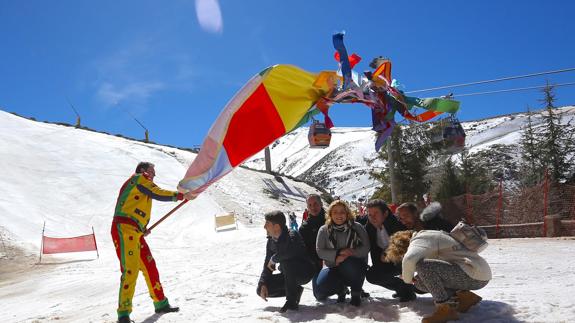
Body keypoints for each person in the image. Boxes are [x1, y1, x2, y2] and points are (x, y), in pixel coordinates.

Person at [111, 162, 190, 323]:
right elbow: (156, 192)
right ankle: (123, 314)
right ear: (142, 170)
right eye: (151, 171)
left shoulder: (141, 184)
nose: (153, 175)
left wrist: (143, 227)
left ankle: (160, 303)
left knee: (150, 266)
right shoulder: (139, 179)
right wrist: (179, 195)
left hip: (135, 231)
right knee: (130, 270)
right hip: (124, 228)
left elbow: (137, 206)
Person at [386, 230, 492, 323]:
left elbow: (409, 259)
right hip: (477, 275)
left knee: (423, 266)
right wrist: (413, 279)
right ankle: (466, 297)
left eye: (402, 253)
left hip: (473, 274)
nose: (404, 255)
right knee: (419, 282)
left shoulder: (419, 239)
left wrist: (407, 279)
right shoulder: (428, 236)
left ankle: (445, 310)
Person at [257, 211, 315, 312]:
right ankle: (295, 291)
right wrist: (263, 283)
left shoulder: (292, 234)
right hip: (288, 276)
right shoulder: (271, 241)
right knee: (262, 288)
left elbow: (289, 252)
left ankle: (291, 301)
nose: (264, 227)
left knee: (286, 262)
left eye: (267, 224)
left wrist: (273, 259)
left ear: (276, 227)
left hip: (303, 273)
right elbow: (267, 264)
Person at [315, 200, 370, 306]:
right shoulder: (324, 230)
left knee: (349, 264)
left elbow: (366, 247)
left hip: (355, 266)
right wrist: (337, 255)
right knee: (322, 285)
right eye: (335, 212)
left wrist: (350, 253)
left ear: (347, 213)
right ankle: (341, 290)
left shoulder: (356, 227)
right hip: (333, 265)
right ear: (330, 214)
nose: (339, 215)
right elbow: (320, 251)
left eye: (342, 212)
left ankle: (356, 292)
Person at [364, 199, 416, 302]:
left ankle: (408, 288)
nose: (372, 217)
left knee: (399, 259)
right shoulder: (369, 228)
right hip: (385, 262)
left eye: (376, 213)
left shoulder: (397, 224)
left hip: (403, 260)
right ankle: (401, 288)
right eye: (369, 214)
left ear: (385, 213)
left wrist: (388, 253)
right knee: (372, 276)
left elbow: (403, 245)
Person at [298, 194, 326, 283]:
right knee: (319, 293)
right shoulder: (304, 228)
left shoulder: (332, 219)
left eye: (315, 204)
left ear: (321, 204)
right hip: (318, 264)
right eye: (310, 205)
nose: (313, 207)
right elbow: (304, 250)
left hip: (337, 260)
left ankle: (354, 286)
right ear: (307, 207)